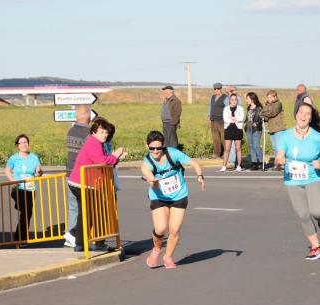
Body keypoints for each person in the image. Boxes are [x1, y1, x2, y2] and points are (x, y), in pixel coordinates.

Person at [275, 103, 320, 260]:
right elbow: (279, 157)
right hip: (292, 180)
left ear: (310, 118)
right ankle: (317, 248)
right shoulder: (285, 136)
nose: (303, 116)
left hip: (313, 178)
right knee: (303, 215)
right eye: (301, 112)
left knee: (316, 212)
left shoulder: (317, 138)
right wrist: (280, 161)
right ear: (295, 114)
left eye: (307, 114)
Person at [141, 131, 205, 269]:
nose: (155, 151)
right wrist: (153, 181)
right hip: (159, 197)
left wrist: (199, 176)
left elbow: (194, 163)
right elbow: (148, 175)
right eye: (152, 148)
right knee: (160, 229)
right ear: (147, 146)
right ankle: (157, 249)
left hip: (179, 195)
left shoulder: (172, 153)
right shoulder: (147, 162)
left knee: (174, 229)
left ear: (163, 146)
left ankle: (168, 257)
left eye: (158, 148)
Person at [68, 118, 127, 252]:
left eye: (106, 133)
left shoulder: (95, 142)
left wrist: (114, 158)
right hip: (84, 184)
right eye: (102, 132)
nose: (104, 135)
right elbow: (101, 161)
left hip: (82, 183)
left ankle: (81, 242)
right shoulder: (94, 142)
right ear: (94, 132)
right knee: (96, 212)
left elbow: (102, 160)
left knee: (88, 213)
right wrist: (116, 156)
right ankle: (81, 239)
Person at [5, 134, 43, 243]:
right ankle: (20, 238)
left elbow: (38, 171)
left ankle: (21, 237)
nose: (24, 145)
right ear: (17, 145)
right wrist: (13, 181)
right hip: (19, 188)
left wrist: (39, 173)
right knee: (26, 212)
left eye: (25, 142)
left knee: (27, 213)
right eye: (21, 143)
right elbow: (7, 170)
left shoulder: (34, 157)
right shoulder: (14, 158)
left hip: (31, 189)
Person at [63, 105, 92, 248]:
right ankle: (79, 236)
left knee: (73, 207)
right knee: (85, 207)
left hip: (69, 171)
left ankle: (70, 236)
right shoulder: (88, 133)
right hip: (81, 174)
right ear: (89, 116)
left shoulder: (71, 130)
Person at [260, 90, 286, 168]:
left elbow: (273, 112)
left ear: (275, 97)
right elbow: (262, 113)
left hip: (279, 128)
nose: (269, 99)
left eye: (270, 97)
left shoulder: (278, 104)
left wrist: (265, 114)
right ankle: (277, 163)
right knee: (274, 147)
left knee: (279, 147)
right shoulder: (267, 105)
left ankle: (283, 163)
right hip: (271, 128)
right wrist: (264, 114)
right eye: (268, 97)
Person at [221, 94, 245, 172]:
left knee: (238, 148)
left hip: (238, 129)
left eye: (235, 99)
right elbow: (225, 119)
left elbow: (241, 118)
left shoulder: (240, 108)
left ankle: (239, 166)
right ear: (229, 101)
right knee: (227, 149)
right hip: (228, 129)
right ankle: (224, 166)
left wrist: (235, 119)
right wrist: (234, 119)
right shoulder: (226, 109)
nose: (234, 101)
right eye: (232, 99)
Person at [224, 85, 242, 167]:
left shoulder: (239, 99)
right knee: (229, 147)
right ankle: (230, 162)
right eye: (230, 90)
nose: (231, 91)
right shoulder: (229, 98)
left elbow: (240, 116)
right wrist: (229, 94)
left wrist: (235, 119)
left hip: (237, 127)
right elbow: (225, 103)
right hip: (229, 127)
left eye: (233, 90)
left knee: (236, 147)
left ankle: (236, 163)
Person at [244, 92, 264, 170]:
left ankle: (261, 162)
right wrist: (245, 123)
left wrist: (257, 123)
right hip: (249, 128)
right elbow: (247, 118)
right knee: (250, 145)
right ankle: (254, 162)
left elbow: (260, 119)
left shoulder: (259, 108)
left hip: (256, 129)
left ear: (252, 99)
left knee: (256, 145)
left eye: (248, 99)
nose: (246, 100)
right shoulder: (248, 108)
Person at [207, 82, 227, 158]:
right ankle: (216, 153)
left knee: (224, 137)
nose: (216, 90)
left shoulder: (225, 97)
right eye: (215, 89)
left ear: (221, 89)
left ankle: (226, 153)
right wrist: (208, 115)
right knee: (215, 137)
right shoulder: (213, 97)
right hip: (213, 119)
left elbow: (228, 108)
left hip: (222, 120)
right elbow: (210, 106)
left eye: (218, 89)